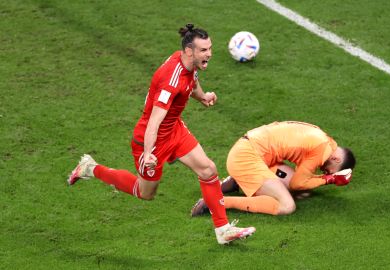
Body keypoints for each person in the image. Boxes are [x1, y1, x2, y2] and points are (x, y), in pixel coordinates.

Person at [67, 24, 255, 244]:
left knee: (208, 169)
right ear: (189, 51)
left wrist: (202, 96)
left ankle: (223, 230)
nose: (209, 54)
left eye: (210, 48)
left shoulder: (187, 61)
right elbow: (154, 122)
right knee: (145, 192)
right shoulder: (170, 82)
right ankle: (90, 168)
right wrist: (148, 153)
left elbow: (191, 81)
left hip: (174, 129)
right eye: (204, 50)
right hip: (152, 139)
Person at [191, 121, 356, 216]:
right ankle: (216, 202)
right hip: (246, 158)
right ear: (336, 158)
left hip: (252, 152)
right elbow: (297, 183)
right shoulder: (322, 150)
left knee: (304, 192)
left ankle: (236, 183)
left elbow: (302, 181)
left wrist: (325, 179)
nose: (325, 172)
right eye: (331, 170)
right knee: (287, 206)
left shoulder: (325, 140)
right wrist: (329, 180)